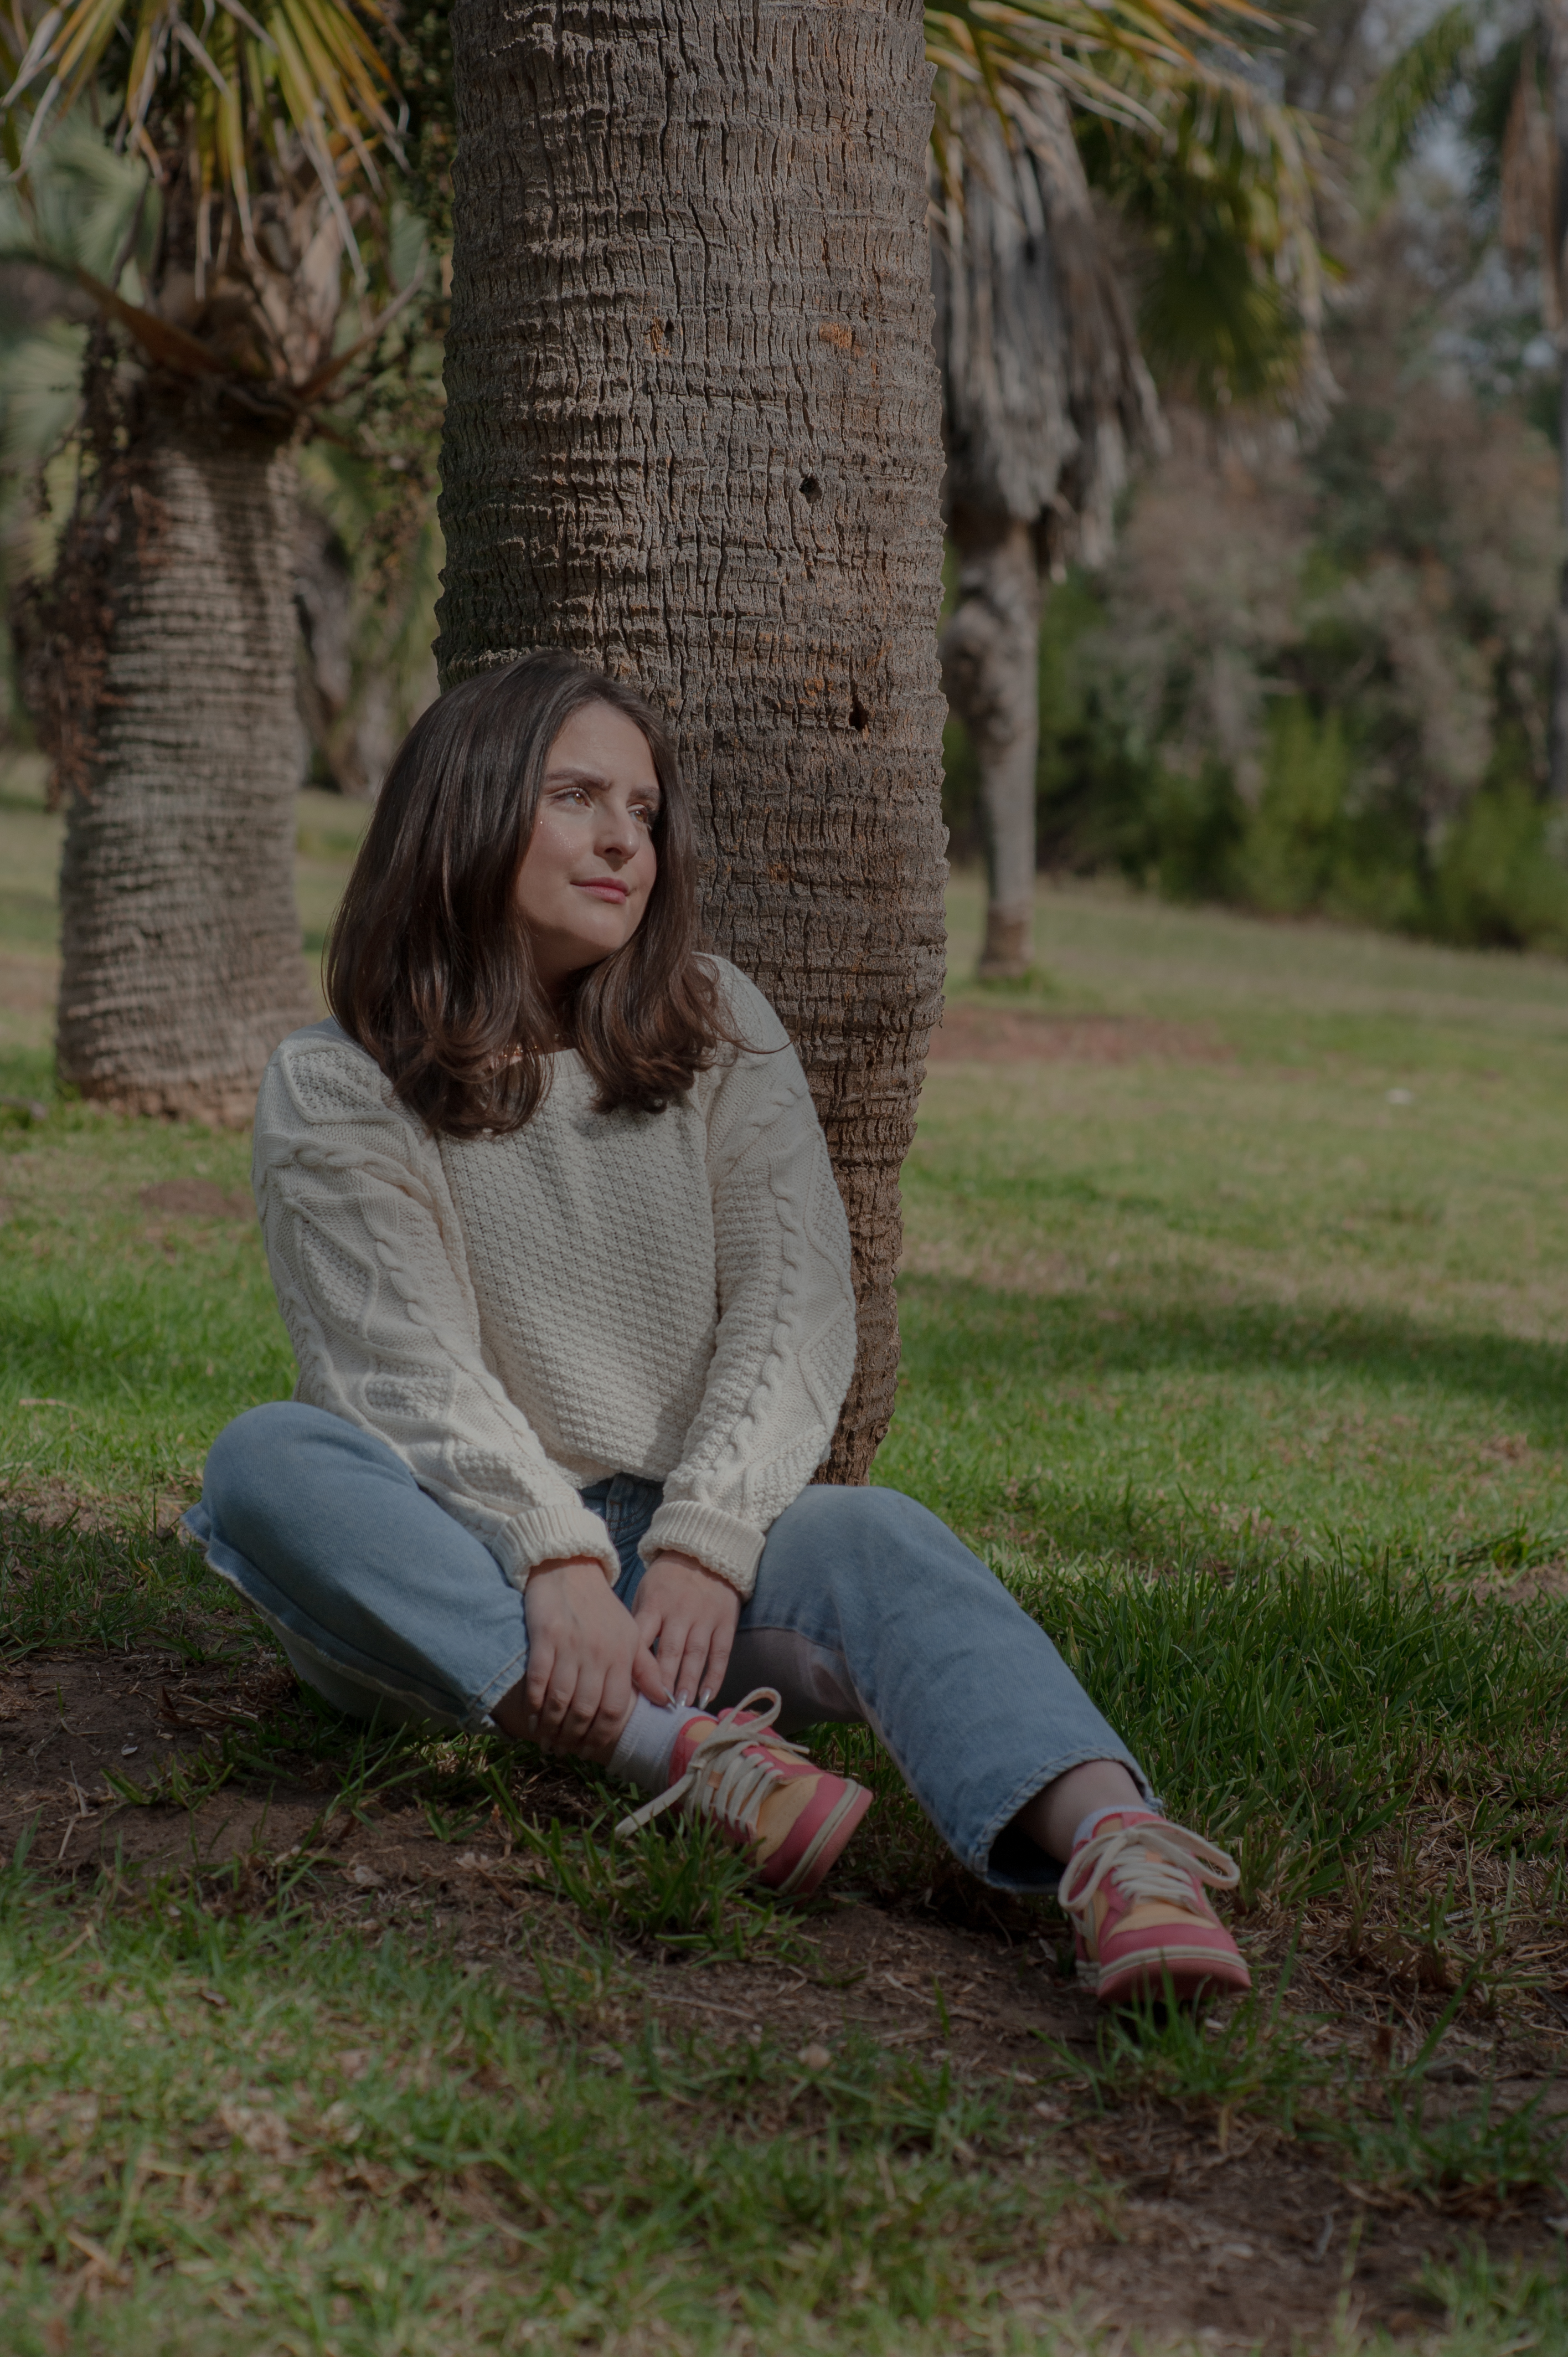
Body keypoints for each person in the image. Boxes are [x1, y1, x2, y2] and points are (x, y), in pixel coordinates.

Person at [186, 652, 1249, 2008]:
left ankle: (1119, 1849)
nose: (625, 836)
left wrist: (703, 1539)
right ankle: (685, 1759)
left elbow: (799, 1308)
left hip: (697, 1578)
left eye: (643, 806)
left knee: (880, 1532)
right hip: (457, 1573)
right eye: (577, 796)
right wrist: (553, 1559)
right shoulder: (335, 1084)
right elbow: (400, 1371)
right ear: (463, 809)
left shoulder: (718, 1025)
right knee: (268, 1458)